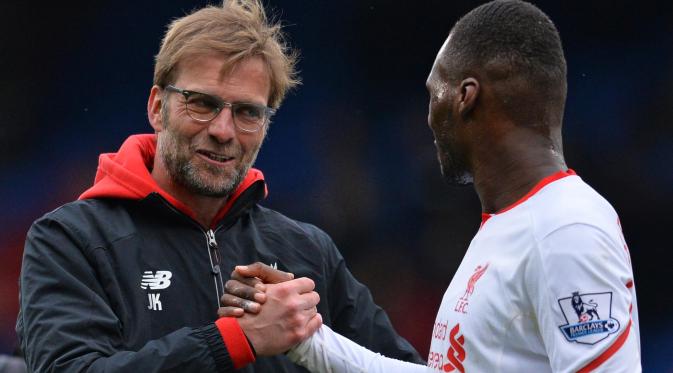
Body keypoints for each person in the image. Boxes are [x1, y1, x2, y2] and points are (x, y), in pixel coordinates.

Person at [222, 1, 641, 371]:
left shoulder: (566, 227)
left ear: (466, 97)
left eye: (432, 94)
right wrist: (307, 339)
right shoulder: (511, 226)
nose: (427, 117)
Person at [15, 1, 423, 372]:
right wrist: (236, 339)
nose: (223, 131)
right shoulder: (70, 240)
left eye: (248, 112)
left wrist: (320, 344)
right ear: (158, 108)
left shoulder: (307, 251)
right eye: (203, 103)